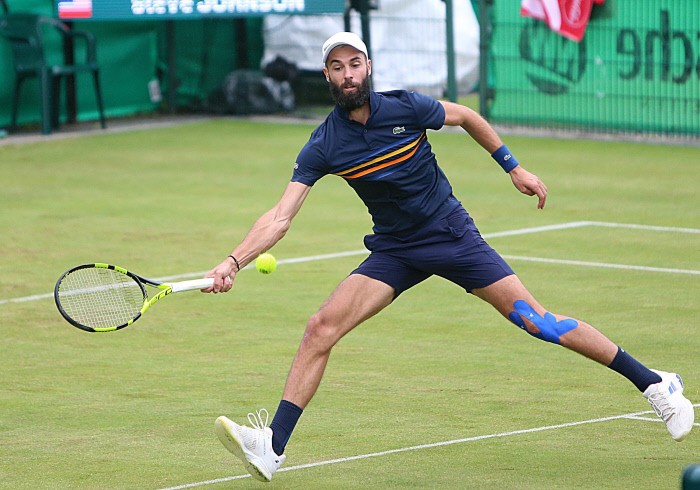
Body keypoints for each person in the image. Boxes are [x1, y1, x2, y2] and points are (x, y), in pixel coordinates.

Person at [205, 32, 694, 482]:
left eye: (355, 63)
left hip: (451, 235)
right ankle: (273, 447)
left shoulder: (407, 107)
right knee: (321, 327)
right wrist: (233, 261)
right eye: (337, 66)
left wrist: (513, 168)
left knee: (537, 322)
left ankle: (655, 384)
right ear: (327, 76)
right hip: (396, 249)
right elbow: (281, 216)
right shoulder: (325, 144)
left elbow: (465, 116)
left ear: (369, 67)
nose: (348, 73)